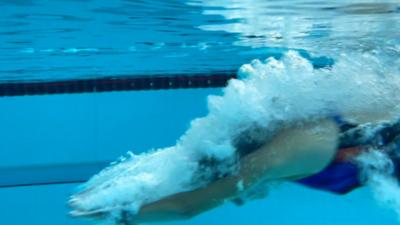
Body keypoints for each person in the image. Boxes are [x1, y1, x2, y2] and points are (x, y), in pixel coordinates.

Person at [70, 116, 400, 225]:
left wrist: (120, 216)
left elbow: (189, 207)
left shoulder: (274, 157)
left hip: (332, 154)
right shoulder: (277, 153)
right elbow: (190, 202)